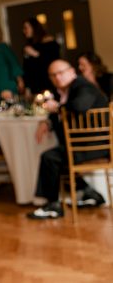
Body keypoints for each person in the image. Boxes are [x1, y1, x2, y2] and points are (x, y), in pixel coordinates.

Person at [27, 59, 108, 219]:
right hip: (81, 145)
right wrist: (48, 121)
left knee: (50, 158)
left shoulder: (83, 86)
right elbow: (59, 111)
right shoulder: (63, 90)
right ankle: (89, 193)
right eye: (53, 75)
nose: (58, 78)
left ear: (72, 72)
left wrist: (56, 108)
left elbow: (79, 106)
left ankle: (53, 205)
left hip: (95, 146)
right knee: (58, 157)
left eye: (61, 73)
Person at [22, 17, 60, 95]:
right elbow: (27, 68)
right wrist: (27, 87)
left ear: (34, 28)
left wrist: (35, 54)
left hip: (48, 83)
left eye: (26, 28)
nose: (24, 31)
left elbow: (54, 63)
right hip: (35, 86)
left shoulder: (49, 42)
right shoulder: (29, 45)